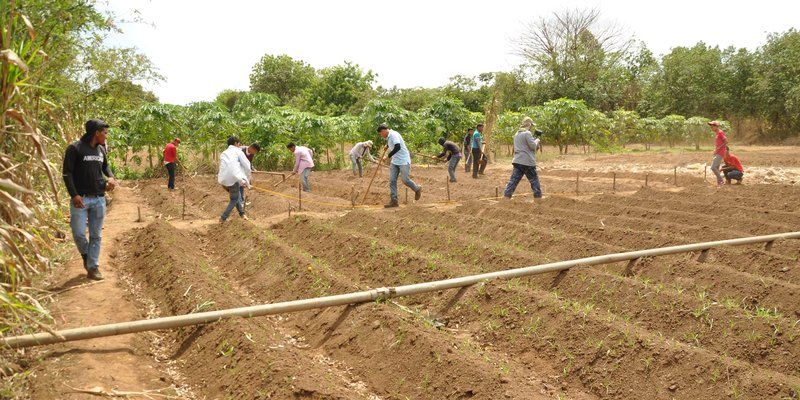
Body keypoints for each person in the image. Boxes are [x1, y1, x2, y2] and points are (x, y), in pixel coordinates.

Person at [62, 119, 117, 280]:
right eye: (105, 133)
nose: (106, 136)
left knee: (96, 235)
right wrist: (74, 195)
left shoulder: (101, 149)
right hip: (81, 200)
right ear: (96, 133)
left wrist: (111, 178)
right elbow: (67, 173)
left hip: (99, 199)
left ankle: (93, 267)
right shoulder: (75, 148)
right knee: (78, 233)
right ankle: (86, 255)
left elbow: (105, 167)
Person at [378, 124, 422, 208]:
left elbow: (397, 146)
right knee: (392, 180)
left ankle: (417, 188)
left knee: (405, 180)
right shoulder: (389, 136)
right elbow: (392, 143)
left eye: (380, 134)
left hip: (403, 160)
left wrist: (388, 156)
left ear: (383, 131)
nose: (381, 135)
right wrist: (387, 146)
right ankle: (394, 201)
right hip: (395, 161)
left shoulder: (394, 135)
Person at [503, 117, 542, 199]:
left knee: (513, 180)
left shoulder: (517, 134)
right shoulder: (527, 133)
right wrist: (537, 140)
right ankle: (538, 198)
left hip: (517, 160)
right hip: (527, 161)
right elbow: (533, 146)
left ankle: (506, 196)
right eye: (531, 125)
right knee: (534, 180)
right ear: (529, 124)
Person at [218, 136, 252, 222]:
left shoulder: (223, 153)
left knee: (236, 196)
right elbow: (247, 167)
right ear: (236, 143)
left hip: (222, 180)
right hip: (232, 179)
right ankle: (223, 217)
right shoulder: (238, 151)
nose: (239, 145)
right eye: (239, 143)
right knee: (234, 199)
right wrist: (247, 182)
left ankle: (242, 214)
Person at [238, 143, 261, 210]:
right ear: (252, 148)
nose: (255, 153)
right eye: (255, 151)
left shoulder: (252, 153)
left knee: (242, 185)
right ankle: (240, 202)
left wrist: (253, 168)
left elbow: (249, 162)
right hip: (236, 170)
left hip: (243, 171)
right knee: (239, 185)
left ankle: (241, 201)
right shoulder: (240, 150)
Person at [708, 120, 728, 186]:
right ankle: (719, 183)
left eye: (712, 126)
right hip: (718, 152)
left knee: (713, 167)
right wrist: (715, 149)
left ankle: (721, 179)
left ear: (716, 126)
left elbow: (726, 141)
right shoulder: (717, 133)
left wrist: (719, 148)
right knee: (716, 167)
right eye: (711, 126)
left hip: (720, 152)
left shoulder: (720, 132)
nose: (711, 127)